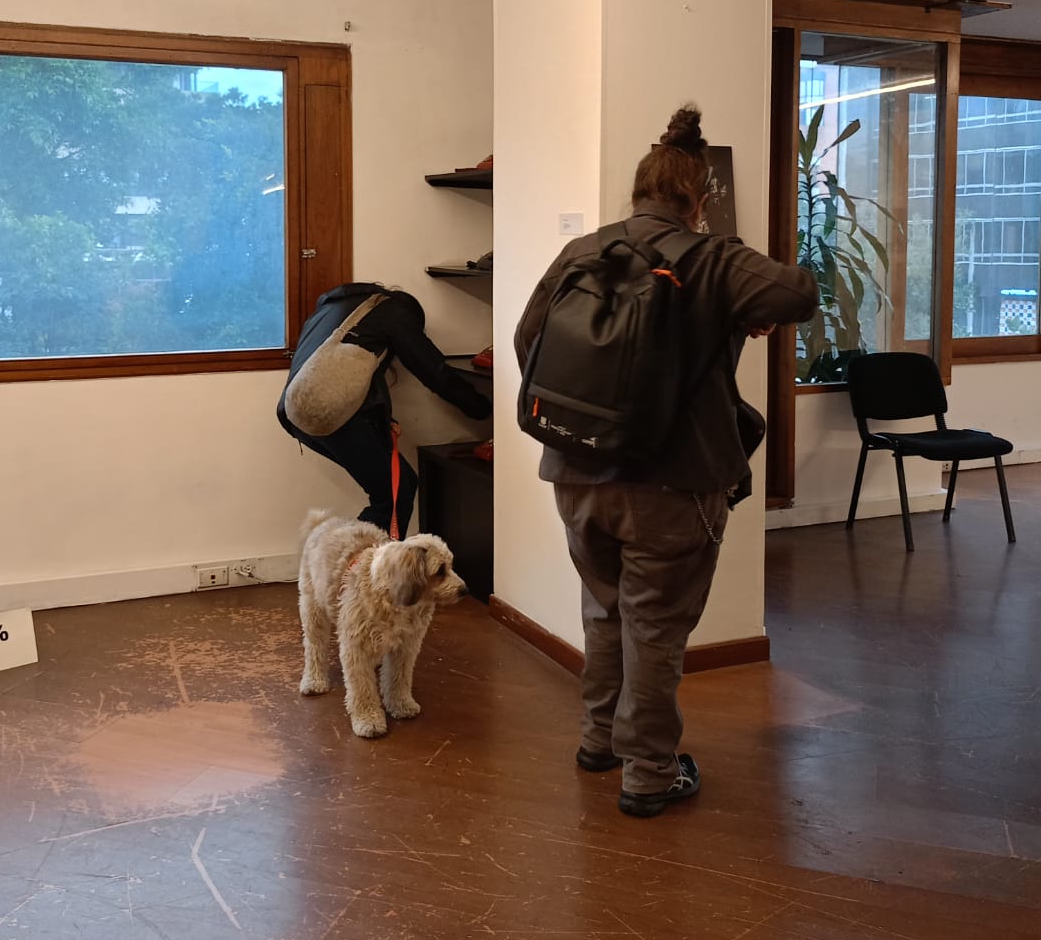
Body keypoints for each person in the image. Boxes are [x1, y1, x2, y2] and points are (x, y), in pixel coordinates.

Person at [514, 107, 818, 819]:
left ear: (638, 190)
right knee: (653, 625)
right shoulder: (710, 258)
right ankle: (649, 771)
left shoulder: (585, 250)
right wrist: (731, 295)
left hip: (575, 472)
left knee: (603, 608)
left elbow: (530, 340)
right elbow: (799, 292)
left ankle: (599, 740)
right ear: (697, 197)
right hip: (673, 483)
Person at [278, 282, 492, 538]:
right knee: (395, 492)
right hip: (331, 415)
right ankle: (358, 560)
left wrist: (384, 420)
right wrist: (481, 408)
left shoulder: (332, 308)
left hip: (294, 414)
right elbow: (433, 371)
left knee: (397, 487)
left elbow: (352, 377)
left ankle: (354, 556)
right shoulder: (396, 313)